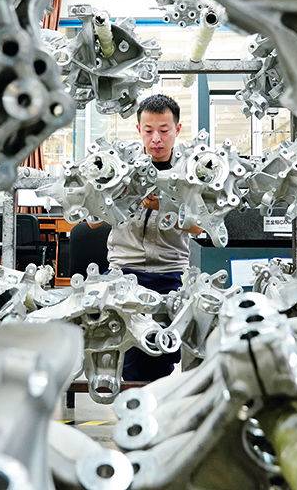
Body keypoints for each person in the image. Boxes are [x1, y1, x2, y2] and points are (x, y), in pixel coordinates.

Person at [88, 93, 202, 381]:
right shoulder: (121, 169)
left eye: (164, 130)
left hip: (169, 274)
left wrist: (167, 206)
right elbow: (91, 221)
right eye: (149, 131)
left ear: (177, 129)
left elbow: (200, 228)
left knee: (160, 356)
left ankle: (154, 401)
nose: (156, 139)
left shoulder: (191, 172)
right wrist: (117, 196)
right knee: (121, 354)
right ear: (138, 129)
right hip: (123, 273)